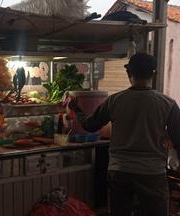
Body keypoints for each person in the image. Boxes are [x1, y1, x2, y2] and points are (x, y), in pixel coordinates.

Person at [68, 53, 180, 216]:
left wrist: (77, 109)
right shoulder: (167, 104)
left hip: (120, 172)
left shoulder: (114, 101)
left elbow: (90, 125)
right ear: (153, 74)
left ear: (129, 74)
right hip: (152, 174)